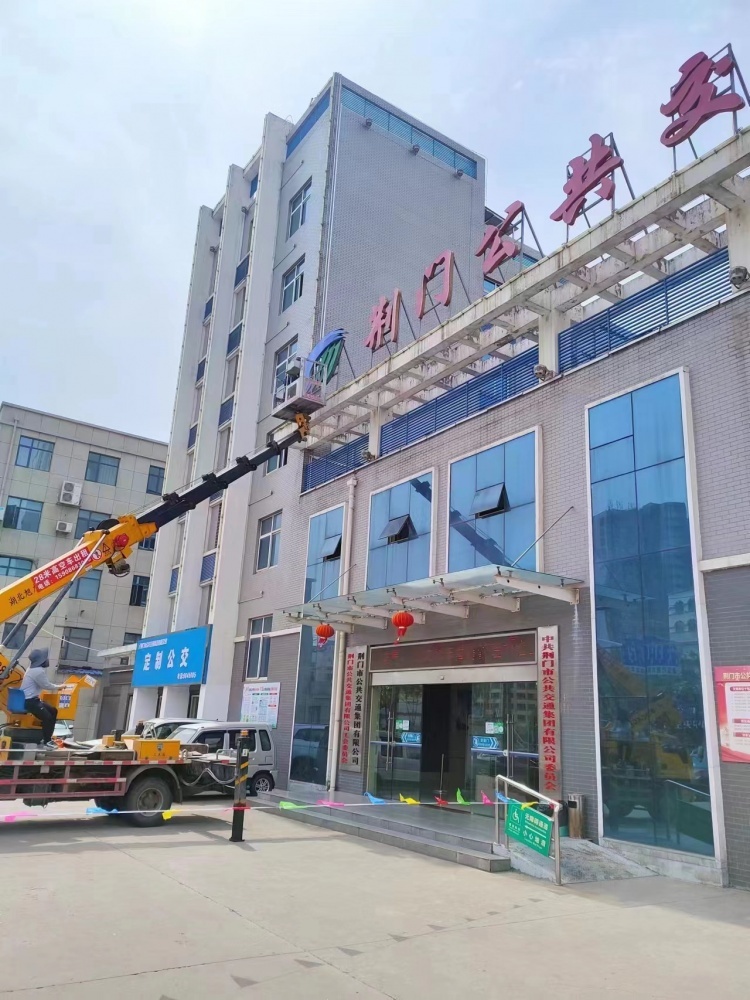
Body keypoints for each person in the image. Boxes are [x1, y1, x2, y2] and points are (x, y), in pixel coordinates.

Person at [20, 648, 63, 747]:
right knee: (47, 717)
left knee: (53, 711)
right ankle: (47, 741)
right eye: (45, 658)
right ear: (42, 660)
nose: (47, 660)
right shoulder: (38, 671)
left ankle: (48, 738)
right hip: (30, 701)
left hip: (32, 700)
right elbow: (46, 685)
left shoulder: (31, 669)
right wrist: (60, 686)